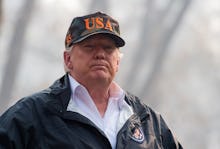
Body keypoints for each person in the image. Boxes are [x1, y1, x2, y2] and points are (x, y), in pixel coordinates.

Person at [0, 12, 183, 149]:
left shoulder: (148, 121)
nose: (100, 54)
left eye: (108, 48)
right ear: (67, 59)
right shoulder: (30, 116)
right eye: (89, 47)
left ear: (117, 61)